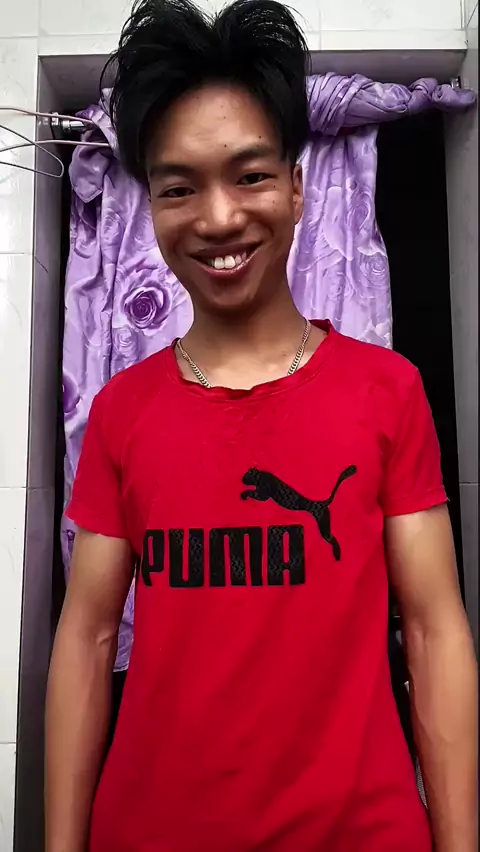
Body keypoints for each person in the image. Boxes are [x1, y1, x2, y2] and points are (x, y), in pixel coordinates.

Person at [45, 1, 478, 850]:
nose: (217, 219)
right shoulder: (122, 411)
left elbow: (433, 631)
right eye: (179, 188)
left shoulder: (387, 391)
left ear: (297, 187)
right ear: (151, 207)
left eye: (249, 176)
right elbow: (89, 637)